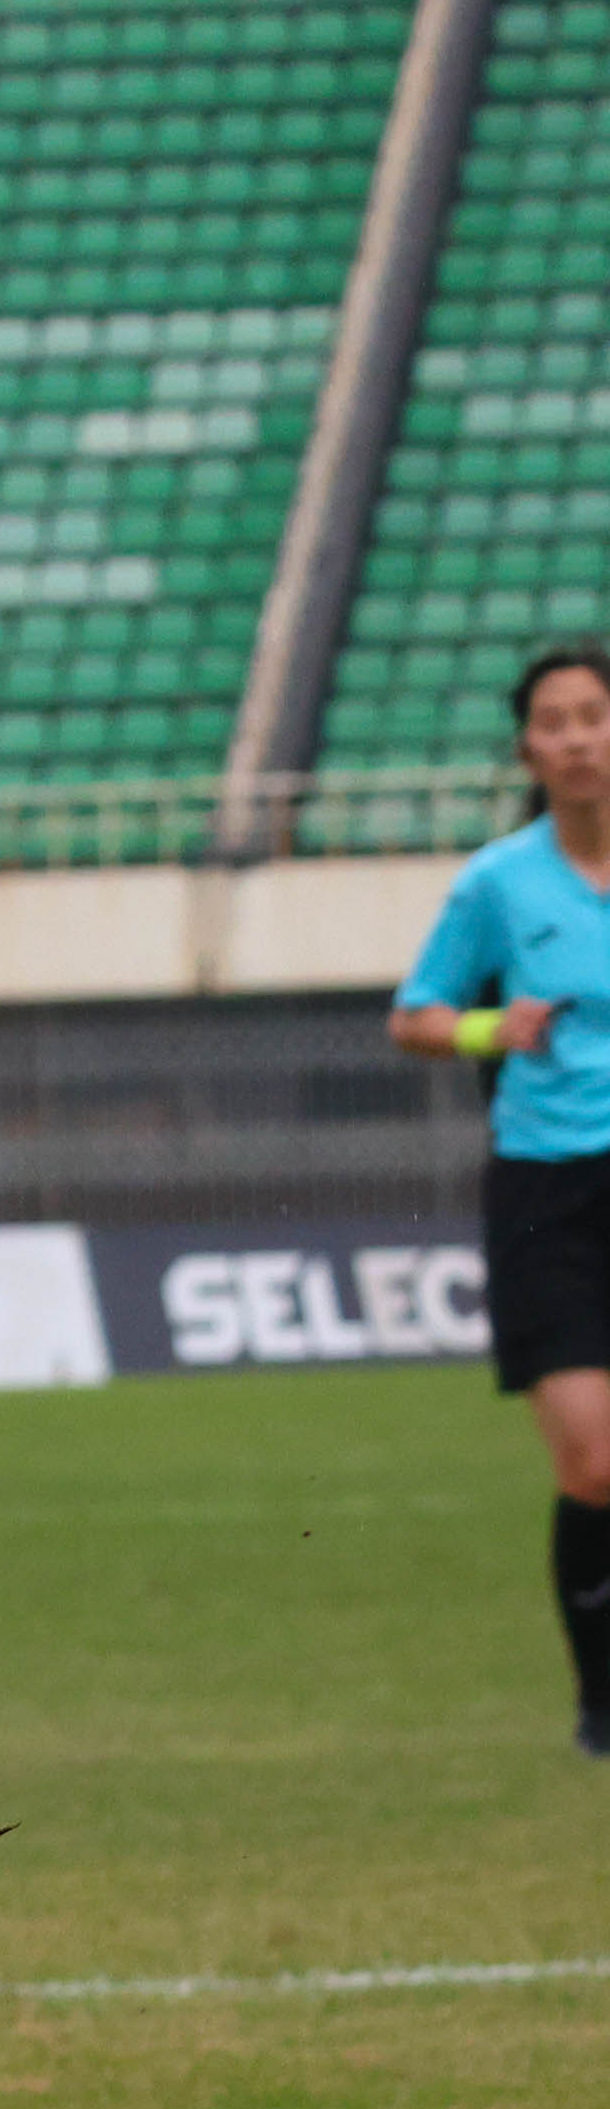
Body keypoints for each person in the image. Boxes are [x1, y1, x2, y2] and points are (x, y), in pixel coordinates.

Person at [387, 639, 610, 1752]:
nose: (577, 737)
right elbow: (414, 1013)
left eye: (594, 715)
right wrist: (491, 1025)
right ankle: (600, 1697)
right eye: (555, 721)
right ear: (529, 746)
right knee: (595, 1461)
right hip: (547, 1190)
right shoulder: (498, 882)